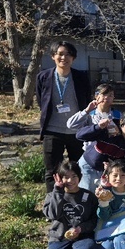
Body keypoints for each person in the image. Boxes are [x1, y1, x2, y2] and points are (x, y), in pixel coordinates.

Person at [36, 41, 92, 192]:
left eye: (68, 54)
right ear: (53, 56)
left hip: (77, 131)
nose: (64, 58)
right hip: (52, 130)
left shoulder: (81, 77)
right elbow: (42, 101)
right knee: (52, 170)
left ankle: (77, 199)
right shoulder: (43, 77)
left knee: (78, 168)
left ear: (73, 58)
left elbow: (86, 100)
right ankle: (54, 200)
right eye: (60, 54)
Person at [44, 160, 99, 249]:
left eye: (74, 176)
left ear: (80, 176)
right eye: (66, 177)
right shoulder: (52, 195)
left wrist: (81, 229)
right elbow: (53, 215)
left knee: (90, 247)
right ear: (59, 178)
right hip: (59, 238)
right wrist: (58, 191)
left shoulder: (89, 196)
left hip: (81, 238)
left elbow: (94, 220)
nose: (70, 180)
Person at [76, 109, 125, 192]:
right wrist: (98, 127)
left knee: (105, 196)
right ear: (121, 121)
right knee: (87, 193)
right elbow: (79, 136)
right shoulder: (110, 127)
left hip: (109, 172)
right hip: (89, 166)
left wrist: (112, 165)